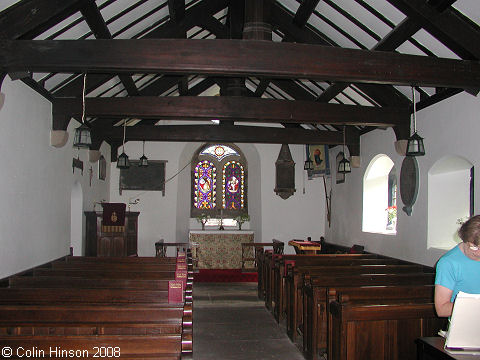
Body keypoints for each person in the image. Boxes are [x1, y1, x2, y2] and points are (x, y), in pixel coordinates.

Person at [434, 215, 480, 317]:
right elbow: (441, 309)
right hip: (465, 323)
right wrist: (474, 306)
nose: (478, 253)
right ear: (464, 240)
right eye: (474, 248)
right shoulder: (448, 263)